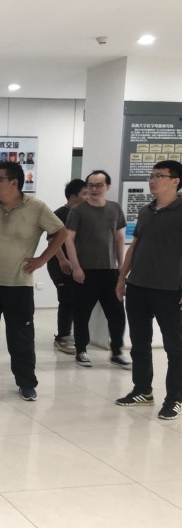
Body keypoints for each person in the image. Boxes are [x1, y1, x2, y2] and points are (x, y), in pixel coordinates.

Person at [0, 161, 66, 400]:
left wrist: (42, 259)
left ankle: (26, 382)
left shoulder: (36, 207)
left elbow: (60, 232)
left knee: (21, 337)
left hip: (19, 284)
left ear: (14, 183)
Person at [115, 160, 182, 419]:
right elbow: (134, 246)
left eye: (159, 176)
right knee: (139, 343)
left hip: (170, 290)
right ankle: (142, 391)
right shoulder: (146, 210)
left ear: (175, 181)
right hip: (138, 286)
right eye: (151, 176)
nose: (152, 180)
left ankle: (175, 398)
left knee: (175, 347)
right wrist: (122, 278)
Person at [65, 170, 129, 369]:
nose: (94, 189)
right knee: (82, 313)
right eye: (90, 185)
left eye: (98, 185)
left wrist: (121, 267)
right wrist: (76, 267)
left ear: (107, 187)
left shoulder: (115, 208)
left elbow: (119, 238)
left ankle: (116, 352)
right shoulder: (78, 210)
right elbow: (68, 239)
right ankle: (81, 350)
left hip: (110, 271)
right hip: (85, 271)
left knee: (117, 314)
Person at [46, 179, 87, 354]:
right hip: (60, 266)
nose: (88, 196)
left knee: (76, 300)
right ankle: (62, 337)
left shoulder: (81, 214)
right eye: (84, 193)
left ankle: (75, 335)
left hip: (77, 265)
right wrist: (63, 259)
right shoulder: (60, 214)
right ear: (73, 196)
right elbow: (51, 240)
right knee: (66, 300)